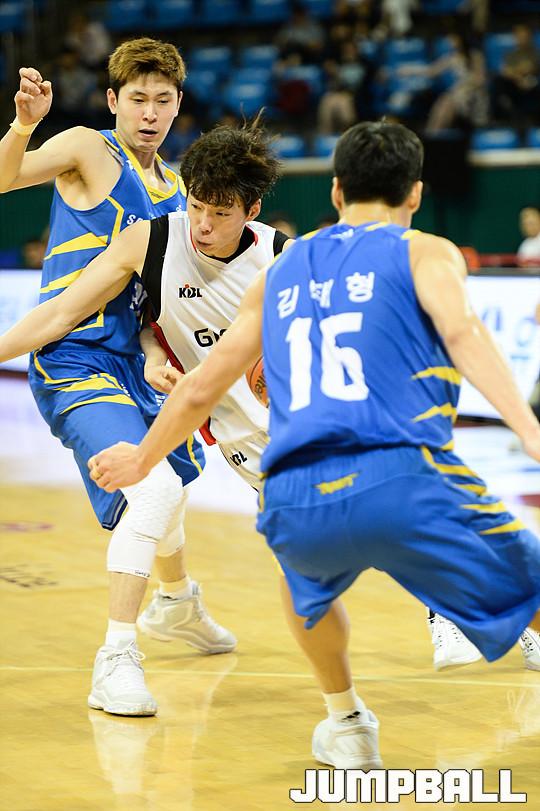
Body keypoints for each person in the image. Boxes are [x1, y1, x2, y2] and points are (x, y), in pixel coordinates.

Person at [86, 121, 540, 768]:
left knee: (306, 589)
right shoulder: (426, 250)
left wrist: (141, 457)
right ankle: (468, 615)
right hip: (398, 470)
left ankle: (346, 719)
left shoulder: (283, 267)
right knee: (522, 578)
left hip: (292, 490)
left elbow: (199, 388)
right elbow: (465, 334)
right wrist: (529, 429)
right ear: (415, 194)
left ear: (335, 190)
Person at [0, 38, 235, 718]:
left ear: (179, 105)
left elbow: (148, 300)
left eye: (163, 101)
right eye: (137, 99)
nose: (149, 113)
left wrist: (156, 352)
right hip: (72, 356)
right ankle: (117, 659)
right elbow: (4, 180)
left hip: (134, 361)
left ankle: (178, 601)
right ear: (113, 101)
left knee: (175, 484)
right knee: (150, 486)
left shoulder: (179, 193)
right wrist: (21, 127)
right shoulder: (87, 149)